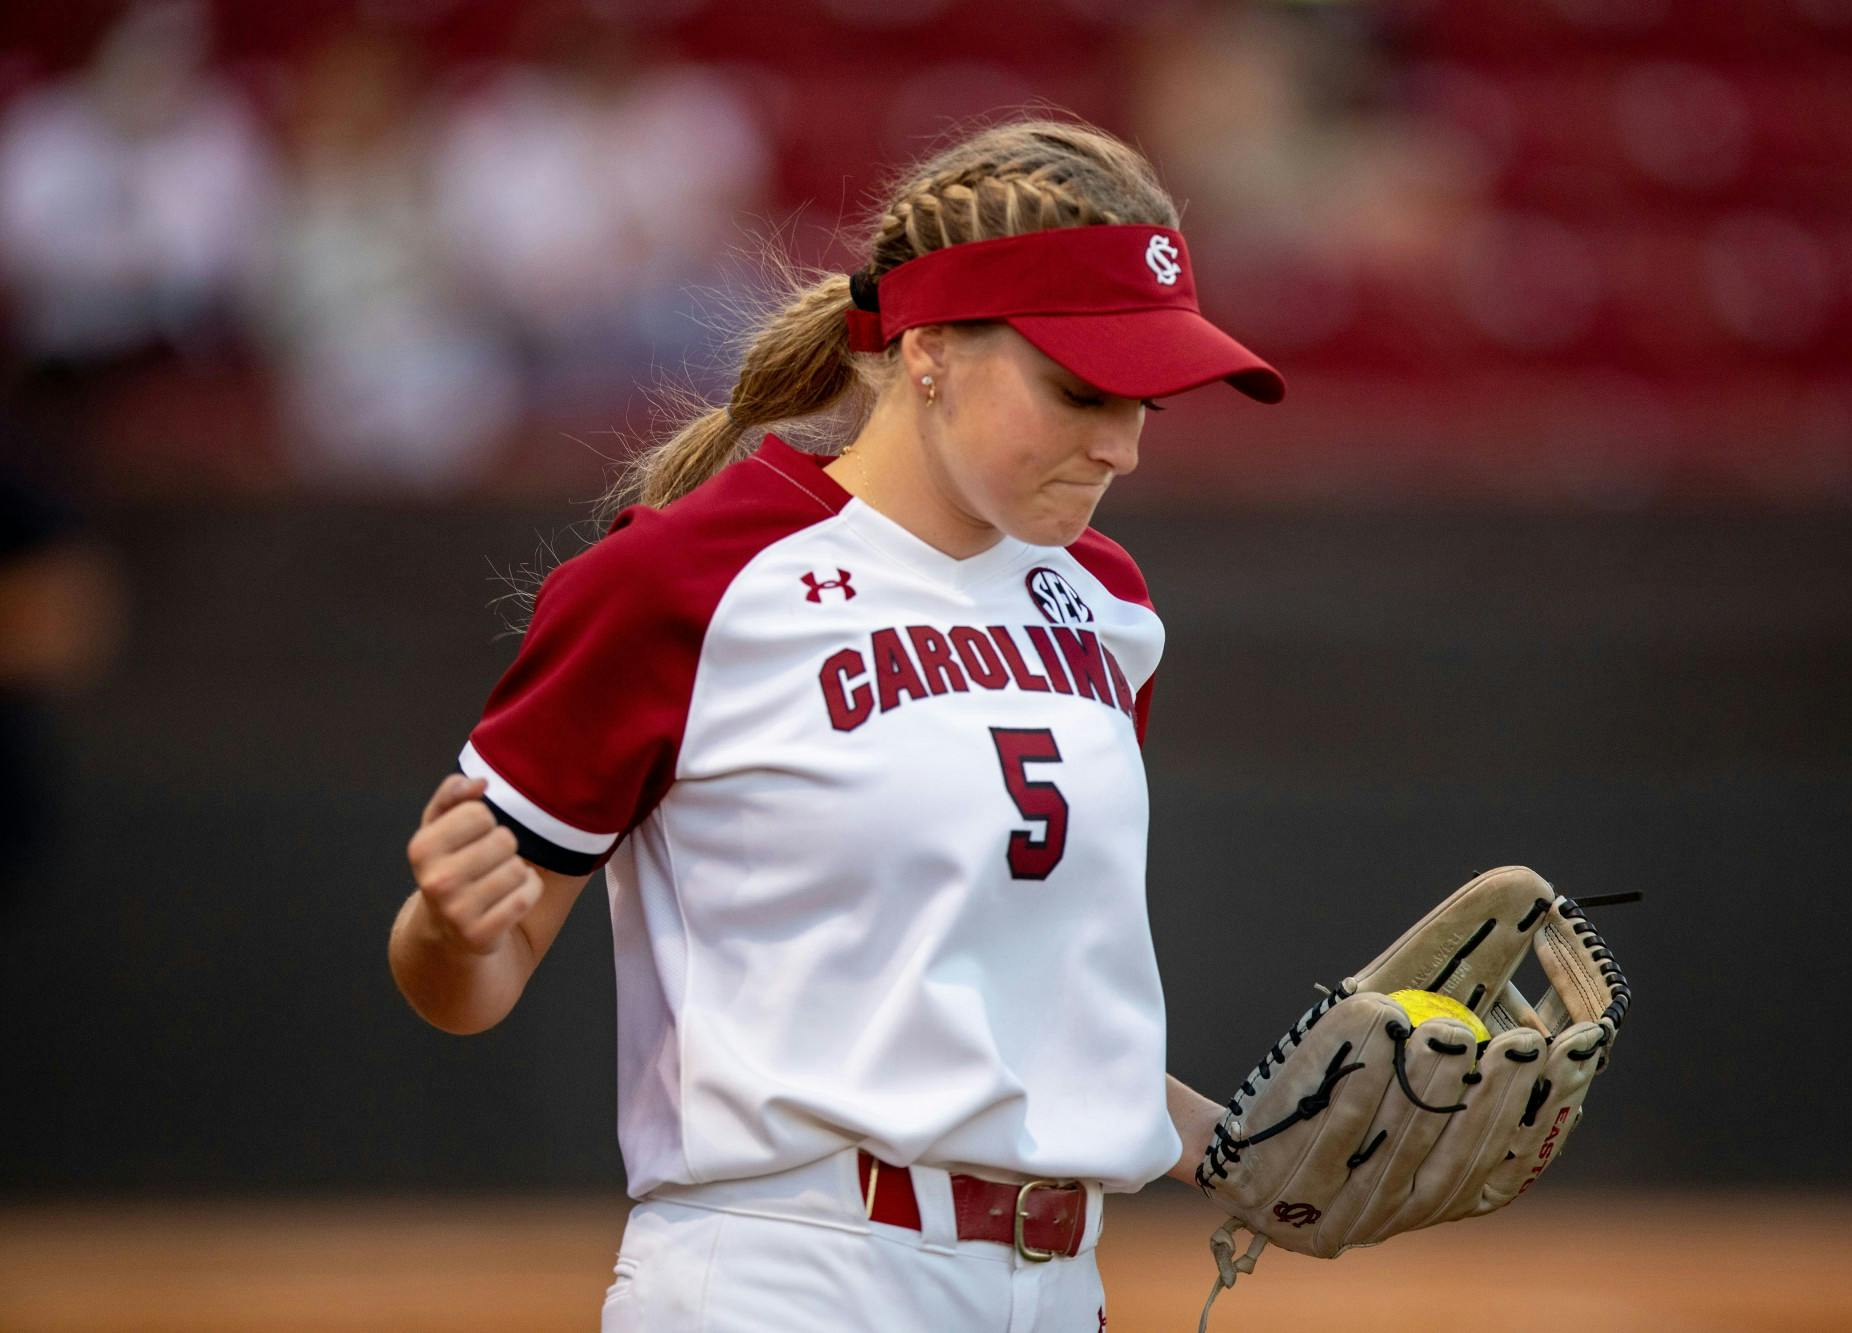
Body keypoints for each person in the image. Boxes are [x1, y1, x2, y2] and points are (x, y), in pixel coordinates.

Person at [387, 117, 1285, 1332]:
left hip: (1060, 1289)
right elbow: (468, 986)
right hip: (788, 1275)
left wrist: (1251, 1151)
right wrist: (445, 922)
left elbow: (1009, 1025)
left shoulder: (1106, 601)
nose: (1119, 444)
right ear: (927, 347)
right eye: (1081, 390)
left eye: (1149, 404)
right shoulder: (689, 579)